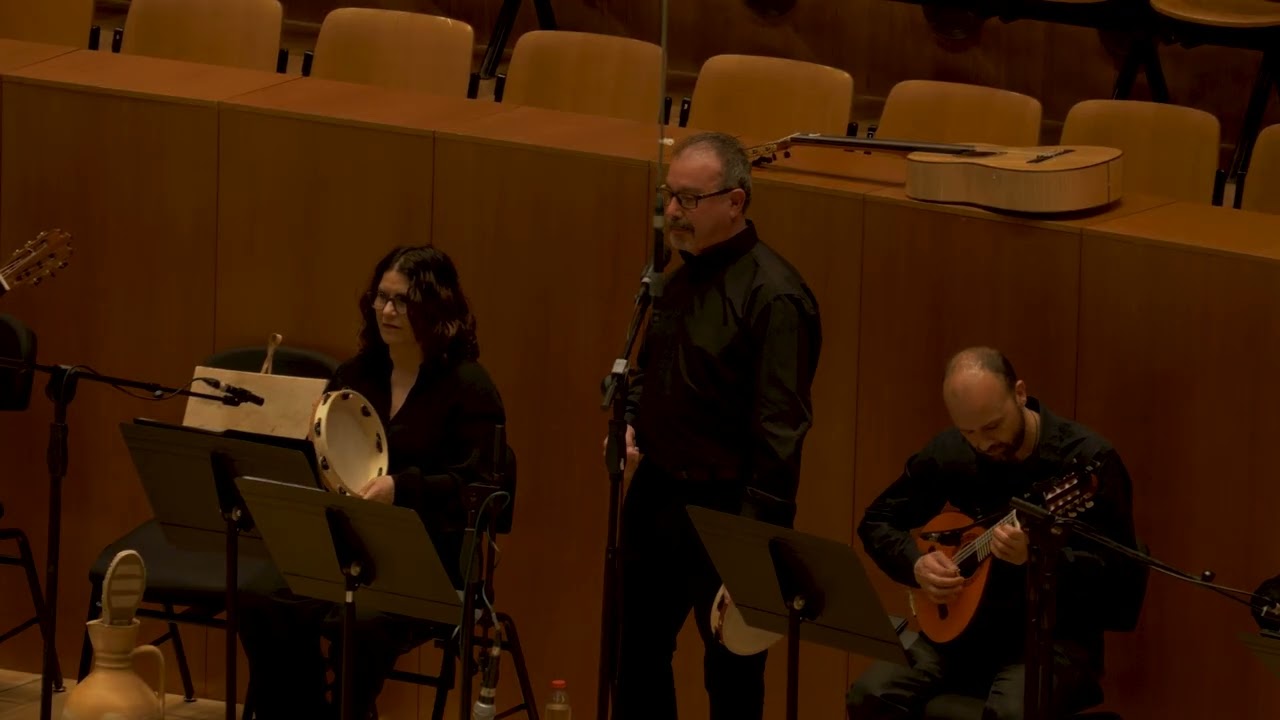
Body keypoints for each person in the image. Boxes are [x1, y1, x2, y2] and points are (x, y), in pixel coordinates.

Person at [238, 245, 509, 720]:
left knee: (358, 622)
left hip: (424, 561)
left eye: (402, 301)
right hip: (343, 547)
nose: (386, 310)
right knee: (261, 599)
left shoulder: (469, 387)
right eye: (381, 297)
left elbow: (482, 488)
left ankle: (350, 711)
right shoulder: (357, 374)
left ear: (435, 307)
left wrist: (402, 490)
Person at [608, 131, 823, 720]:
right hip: (658, 495)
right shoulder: (676, 279)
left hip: (732, 507)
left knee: (730, 670)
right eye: (669, 196)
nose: (673, 212)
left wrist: (755, 546)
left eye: (688, 200)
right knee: (635, 651)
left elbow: (782, 432)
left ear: (735, 201)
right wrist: (629, 424)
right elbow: (647, 373)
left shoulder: (775, 296)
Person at [847, 347, 1140, 720]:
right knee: (869, 695)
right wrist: (917, 564)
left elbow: (1123, 585)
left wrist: (1039, 557)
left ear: (1019, 393)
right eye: (969, 431)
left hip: (1049, 641)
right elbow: (877, 520)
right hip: (957, 633)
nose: (984, 443)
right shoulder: (952, 451)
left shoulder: (1085, 463)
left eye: (993, 426)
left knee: (1009, 715)